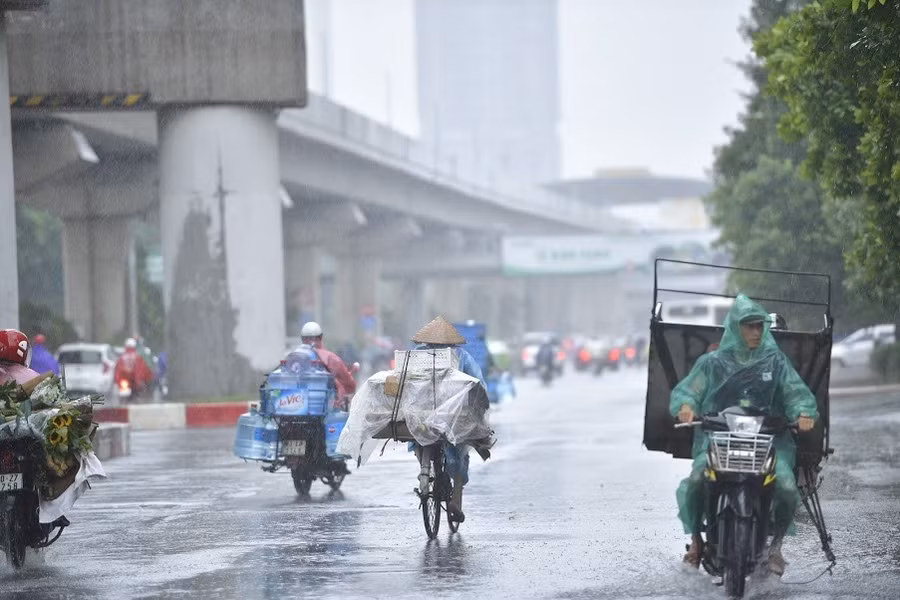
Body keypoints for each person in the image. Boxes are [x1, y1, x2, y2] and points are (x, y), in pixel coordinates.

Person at [671, 294, 817, 576]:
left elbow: (795, 393)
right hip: (719, 440)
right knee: (696, 480)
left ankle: (775, 547)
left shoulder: (775, 361)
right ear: (735, 328)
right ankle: (697, 541)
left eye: (759, 326)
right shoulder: (712, 362)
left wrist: (803, 413)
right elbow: (689, 391)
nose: (756, 332)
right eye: (749, 326)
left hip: (768, 442)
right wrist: (686, 407)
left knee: (786, 486)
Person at [410, 316, 487, 524]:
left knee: (417, 439)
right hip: (453, 417)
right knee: (460, 454)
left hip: (422, 414)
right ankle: (456, 498)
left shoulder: (416, 355)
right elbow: (478, 383)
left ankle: (425, 470)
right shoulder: (461, 355)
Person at [300, 322, 358, 408]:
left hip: (297, 406)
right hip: (325, 410)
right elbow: (350, 385)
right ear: (321, 337)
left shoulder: (293, 358)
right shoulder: (331, 358)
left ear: (302, 339)